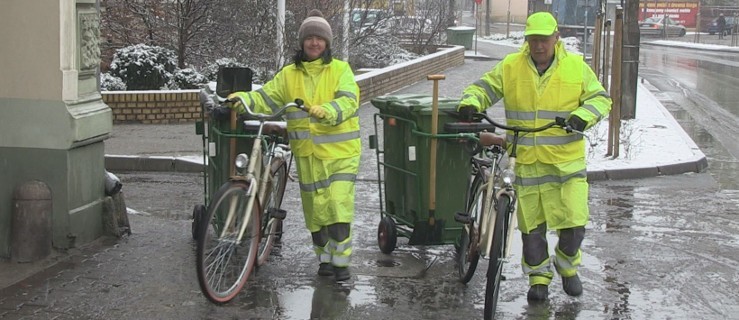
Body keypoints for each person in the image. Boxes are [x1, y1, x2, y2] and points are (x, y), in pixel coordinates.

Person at [457, 12, 612, 301]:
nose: (538, 45)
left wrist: (581, 117)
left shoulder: (576, 67)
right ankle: (538, 278)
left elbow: (600, 98)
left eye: (543, 39)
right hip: (526, 162)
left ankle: (567, 267)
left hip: (566, 165)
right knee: (531, 230)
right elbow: (484, 87)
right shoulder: (511, 66)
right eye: (532, 40)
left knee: (574, 225)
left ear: (556, 38)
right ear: (526, 41)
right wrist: (471, 103)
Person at [227, 9, 361, 282]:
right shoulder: (289, 75)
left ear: (327, 43)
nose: (314, 43)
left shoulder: (340, 70)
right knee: (315, 210)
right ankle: (324, 260)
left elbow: (349, 100)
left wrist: (329, 110)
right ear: (302, 42)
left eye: (319, 39)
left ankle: (341, 263)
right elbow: (266, 97)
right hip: (307, 155)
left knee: (337, 204)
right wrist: (242, 99)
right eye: (309, 38)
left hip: (340, 155)